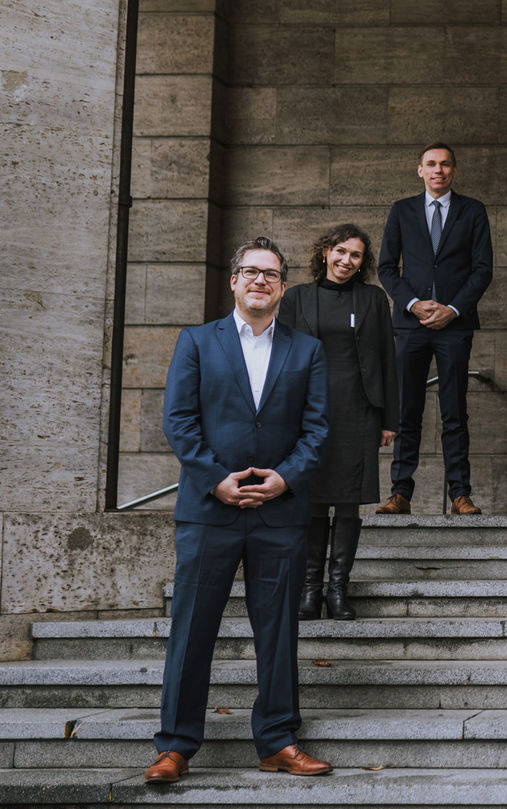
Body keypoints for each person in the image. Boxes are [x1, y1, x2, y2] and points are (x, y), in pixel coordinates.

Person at [147, 237, 332, 784]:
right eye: (251, 272)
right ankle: (175, 746)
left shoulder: (307, 349)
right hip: (209, 511)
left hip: (279, 514)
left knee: (277, 632)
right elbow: (178, 421)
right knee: (192, 631)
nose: (260, 281)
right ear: (233, 280)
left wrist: (285, 478)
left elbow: (318, 429)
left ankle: (277, 740)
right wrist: (214, 480)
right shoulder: (198, 342)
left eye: (272, 275)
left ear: (282, 286)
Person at [278, 224, 398, 621]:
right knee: (312, 502)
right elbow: (282, 359)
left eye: (356, 255)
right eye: (341, 251)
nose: (347, 261)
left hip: (358, 411)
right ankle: (310, 591)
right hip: (308, 413)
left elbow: (386, 360)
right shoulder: (296, 298)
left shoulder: (373, 299)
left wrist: (389, 419)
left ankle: (338, 590)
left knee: (348, 506)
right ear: (326, 252)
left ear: (363, 262)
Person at [376, 142, 494, 516]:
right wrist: (413, 303)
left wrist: (454, 309)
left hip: (454, 326)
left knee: (454, 411)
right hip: (410, 325)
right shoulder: (402, 210)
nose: (438, 170)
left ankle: (459, 493)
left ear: (454, 171)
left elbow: (482, 270)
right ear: (420, 170)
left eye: (445, 164)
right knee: (406, 410)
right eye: (431, 164)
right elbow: (385, 268)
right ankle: (400, 493)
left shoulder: (472, 211)